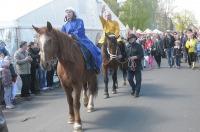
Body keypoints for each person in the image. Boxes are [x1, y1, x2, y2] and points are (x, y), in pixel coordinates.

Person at [61, 7, 102, 74]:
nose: (68, 13)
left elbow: (80, 30)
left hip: (80, 39)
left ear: (73, 13)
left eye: (70, 12)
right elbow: (62, 34)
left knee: (90, 49)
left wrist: (72, 35)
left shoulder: (79, 21)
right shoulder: (64, 25)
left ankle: (94, 65)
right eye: (67, 12)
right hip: (68, 42)